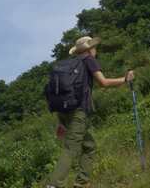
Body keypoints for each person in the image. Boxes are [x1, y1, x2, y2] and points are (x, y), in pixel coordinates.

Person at [47, 36, 134, 188]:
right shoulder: (88, 60)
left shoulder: (69, 65)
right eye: (94, 47)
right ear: (89, 49)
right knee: (71, 148)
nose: (96, 50)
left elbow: (60, 94)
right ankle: (53, 185)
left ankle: (81, 182)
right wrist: (125, 79)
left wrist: (61, 123)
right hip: (78, 112)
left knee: (89, 146)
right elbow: (103, 82)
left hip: (64, 112)